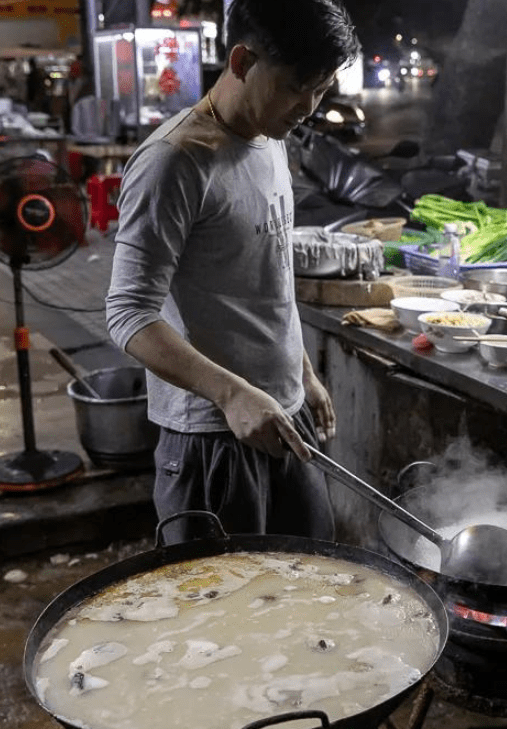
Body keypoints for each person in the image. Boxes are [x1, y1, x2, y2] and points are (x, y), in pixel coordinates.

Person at [106, 0, 360, 542]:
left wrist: (302, 374)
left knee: (307, 587)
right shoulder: (174, 162)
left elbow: (262, 275)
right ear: (243, 61)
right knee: (224, 619)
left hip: (285, 417)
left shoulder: (270, 139)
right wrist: (231, 393)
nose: (309, 106)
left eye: (322, 88)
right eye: (298, 86)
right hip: (212, 440)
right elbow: (127, 314)